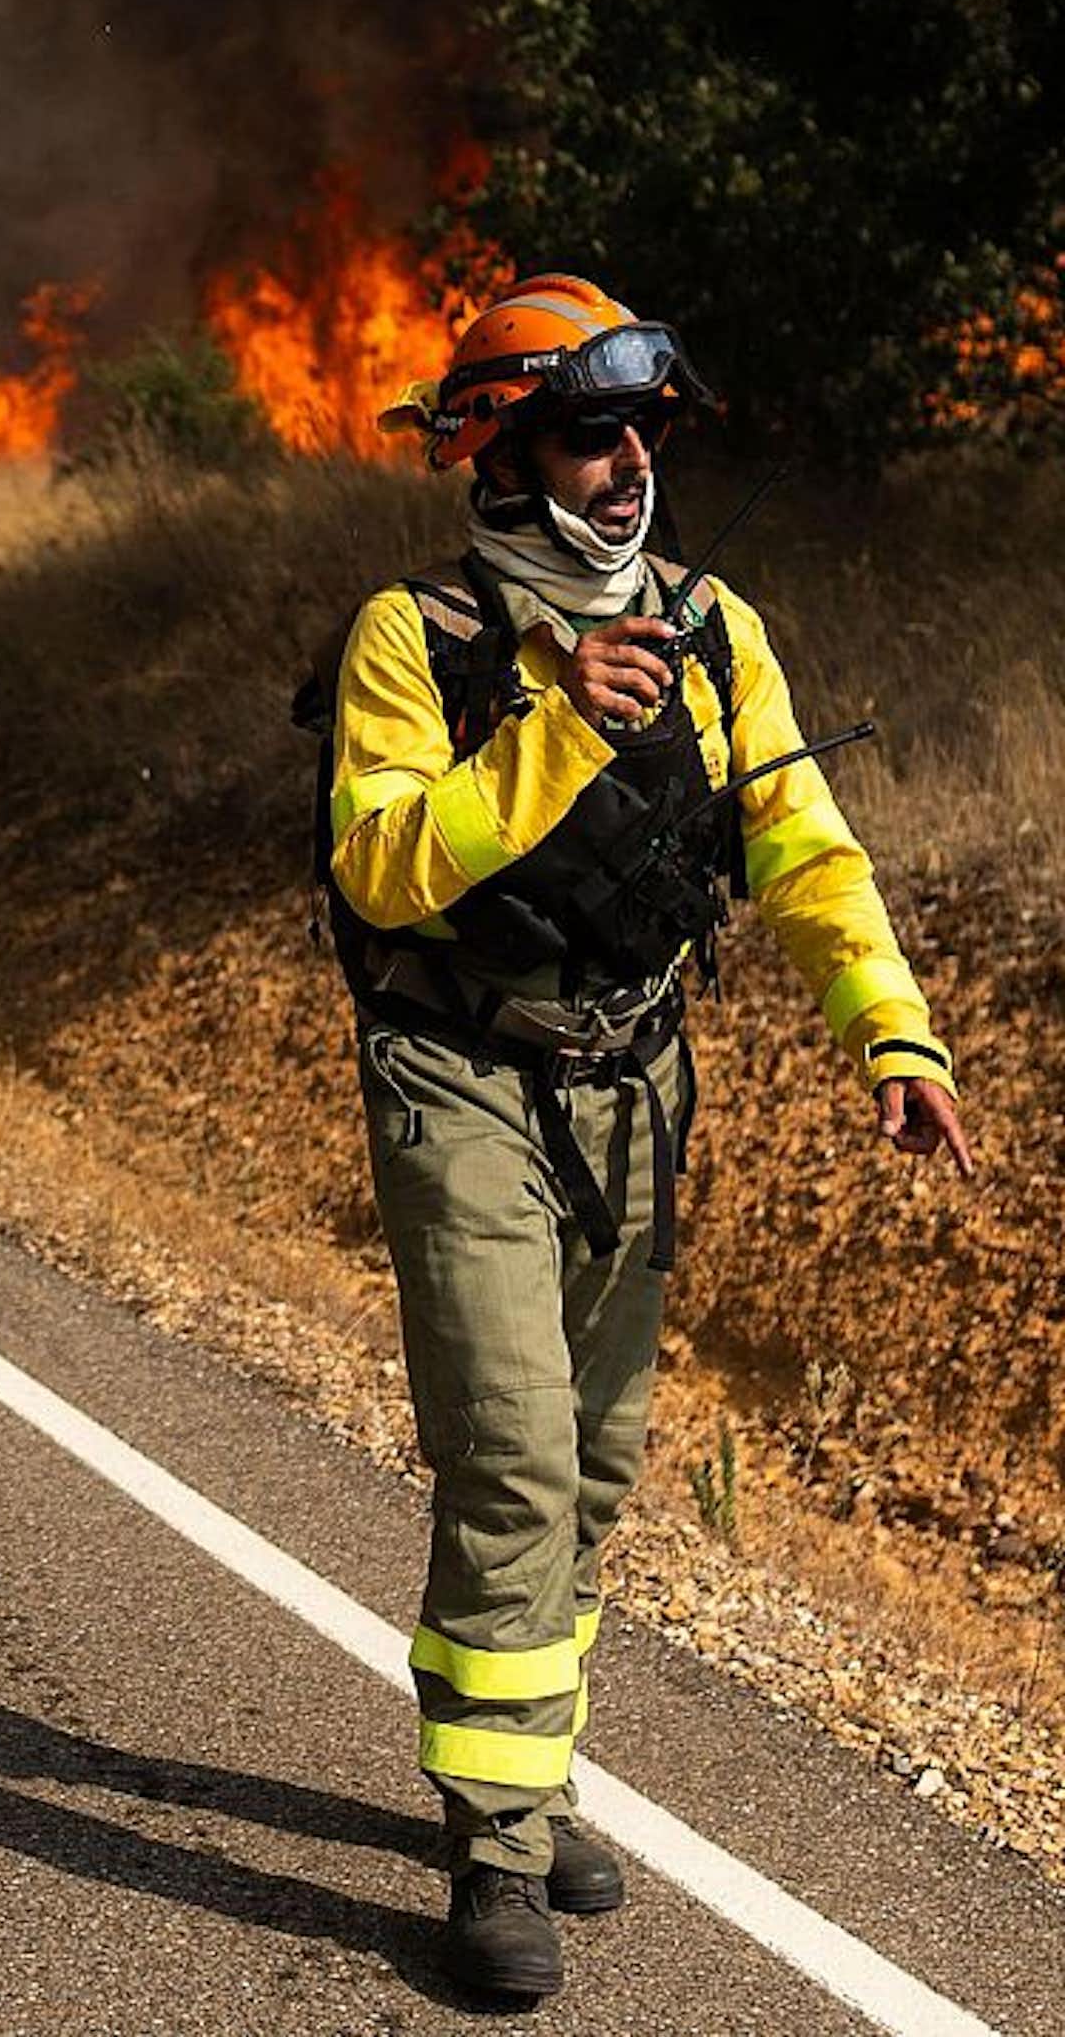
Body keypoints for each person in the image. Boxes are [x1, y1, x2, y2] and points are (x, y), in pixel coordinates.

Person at [321, 277, 971, 2004]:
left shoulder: (713, 626)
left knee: (597, 1465)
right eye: (589, 436)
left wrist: (891, 1028)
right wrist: (559, 729)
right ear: (504, 454)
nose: (628, 467)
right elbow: (382, 868)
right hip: (462, 1074)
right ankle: (495, 1844)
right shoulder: (413, 636)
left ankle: (533, 1759)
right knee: (516, 1454)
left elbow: (803, 846)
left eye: (644, 434)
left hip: (635, 1087)